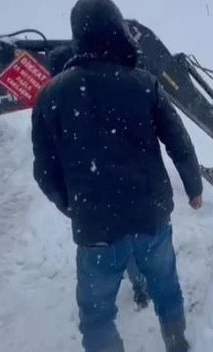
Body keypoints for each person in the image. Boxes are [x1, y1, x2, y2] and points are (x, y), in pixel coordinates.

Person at [31, 0, 203, 352]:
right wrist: (194, 188)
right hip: (151, 218)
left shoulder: (51, 96)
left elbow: (45, 172)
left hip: (96, 231)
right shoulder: (144, 84)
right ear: (117, 31)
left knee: (96, 318)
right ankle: (177, 345)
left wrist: (75, 206)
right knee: (166, 287)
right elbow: (179, 143)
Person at [47, 44, 150, 310]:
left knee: (101, 262)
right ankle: (139, 287)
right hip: (121, 200)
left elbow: (48, 170)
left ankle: (106, 306)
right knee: (129, 246)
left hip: (91, 212)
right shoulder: (99, 93)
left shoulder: (58, 107)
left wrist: (68, 203)